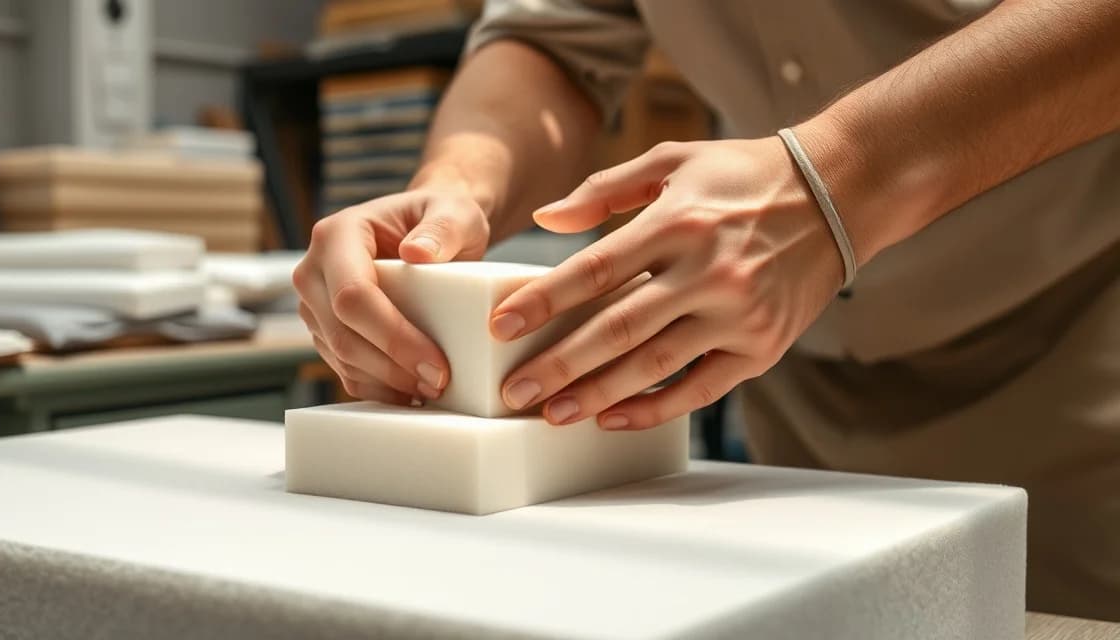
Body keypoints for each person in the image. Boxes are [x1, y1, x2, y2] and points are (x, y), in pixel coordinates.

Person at [293, 0, 1120, 619]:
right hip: (786, 397)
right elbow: (553, 40)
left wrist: (838, 177)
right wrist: (454, 189)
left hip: (1069, 369)